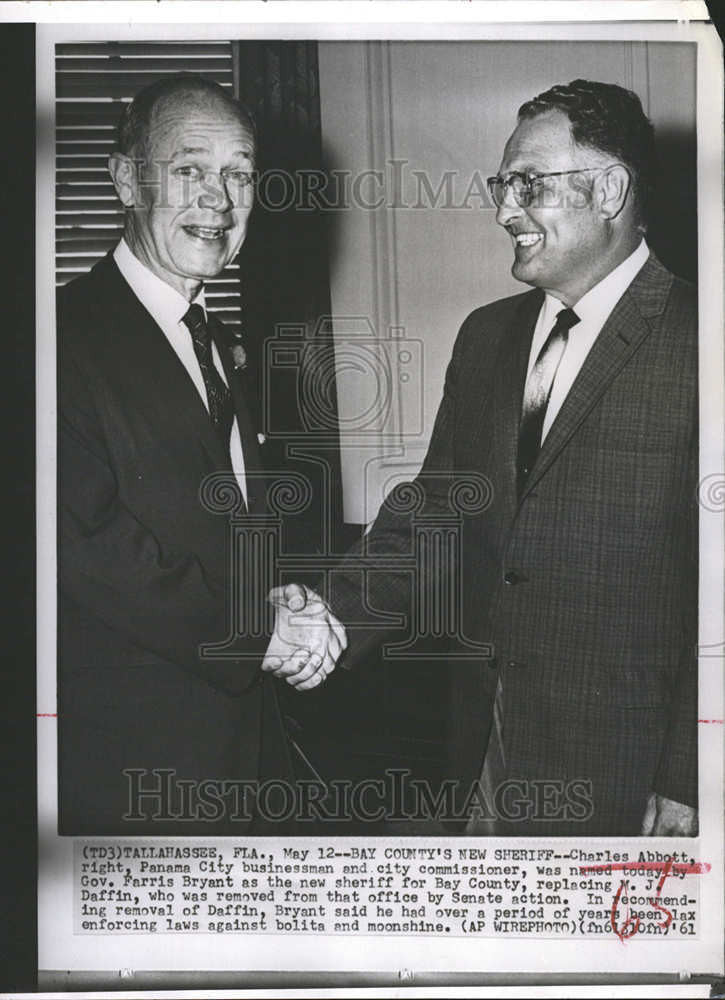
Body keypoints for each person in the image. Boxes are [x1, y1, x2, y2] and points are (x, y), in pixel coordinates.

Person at [271, 79, 698, 837]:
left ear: (609, 189)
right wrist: (330, 614)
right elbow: (434, 513)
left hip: (629, 775)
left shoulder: (705, 337)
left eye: (527, 184)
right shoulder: (487, 337)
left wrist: (690, 776)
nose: (504, 210)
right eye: (503, 184)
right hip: (481, 751)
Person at [57, 74, 343, 835]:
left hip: (245, 749)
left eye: (239, 173)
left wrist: (278, 599)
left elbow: (209, 519)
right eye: (189, 169)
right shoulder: (53, 339)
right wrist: (260, 632)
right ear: (126, 179)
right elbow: (82, 547)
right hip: (133, 772)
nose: (219, 198)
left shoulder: (213, 340)